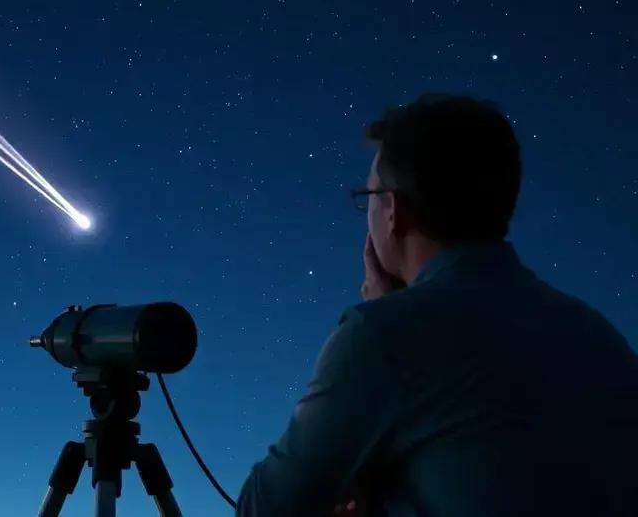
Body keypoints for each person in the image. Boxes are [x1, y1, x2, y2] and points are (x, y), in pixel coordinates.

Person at [236, 94, 638, 516]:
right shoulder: (598, 333)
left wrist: (387, 319)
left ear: (394, 211)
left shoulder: (382, 338)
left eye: (368, 196)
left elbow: (263, 509)